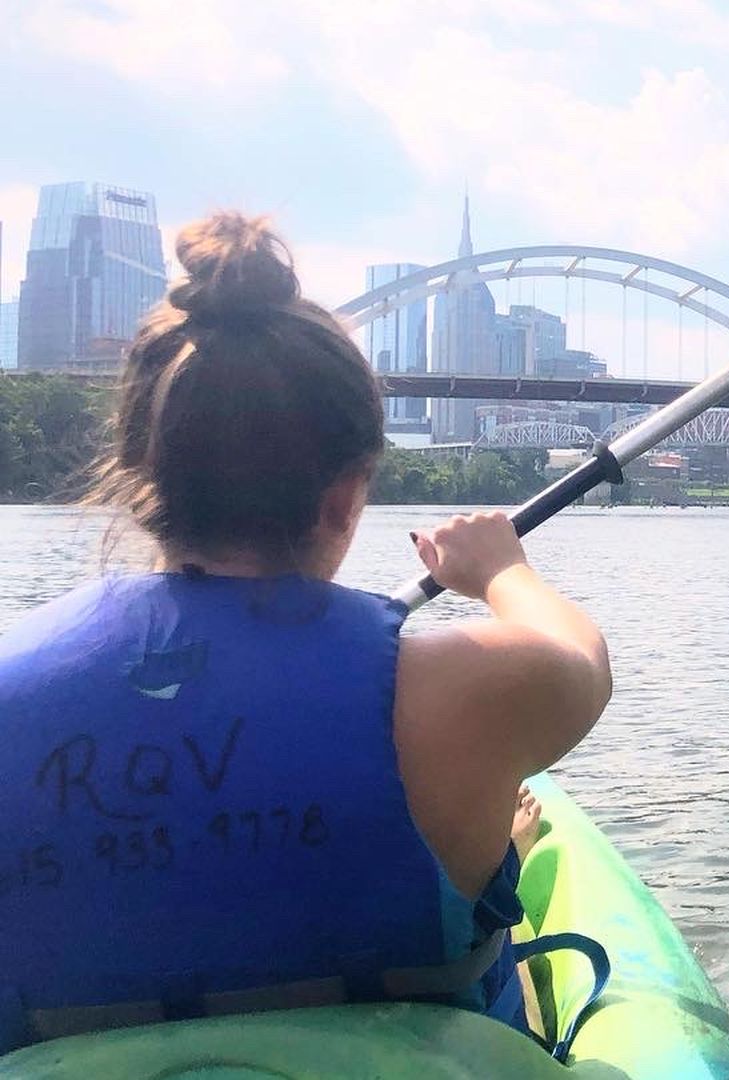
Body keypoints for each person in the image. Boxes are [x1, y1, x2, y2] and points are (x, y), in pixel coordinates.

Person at [0, 213, 611, 1053]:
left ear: (142, 471)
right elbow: (580, 659)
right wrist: (500, 569)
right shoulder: (462, 699)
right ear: (345, 495)